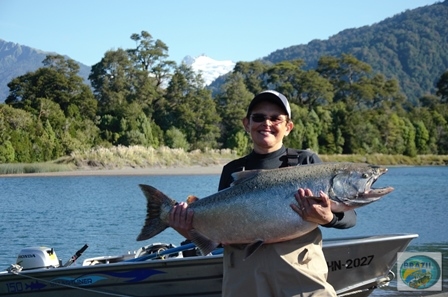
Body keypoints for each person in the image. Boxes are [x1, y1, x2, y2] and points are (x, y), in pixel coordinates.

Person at [170, 90, 357, 297]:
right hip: (244, 278)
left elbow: (349, 218)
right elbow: (219, 233)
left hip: (300, 275)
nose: (266, 123)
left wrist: (328, 217)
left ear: (288, 127)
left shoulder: (307, 162)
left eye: (276, 118)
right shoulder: (233, 170)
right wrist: (186, 228)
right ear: (246, 124)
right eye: (258, 117)